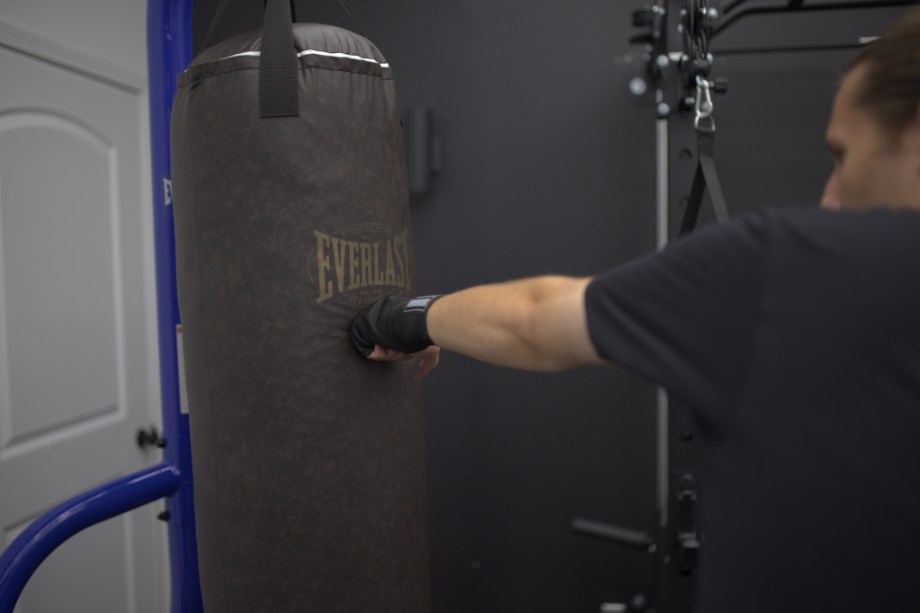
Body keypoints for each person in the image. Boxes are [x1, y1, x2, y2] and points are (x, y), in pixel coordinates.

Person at [350, 7, 920, 613]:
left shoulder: (789, 263)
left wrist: (400, 319)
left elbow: (537, 319)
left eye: (842, 155)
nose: (830, 197)